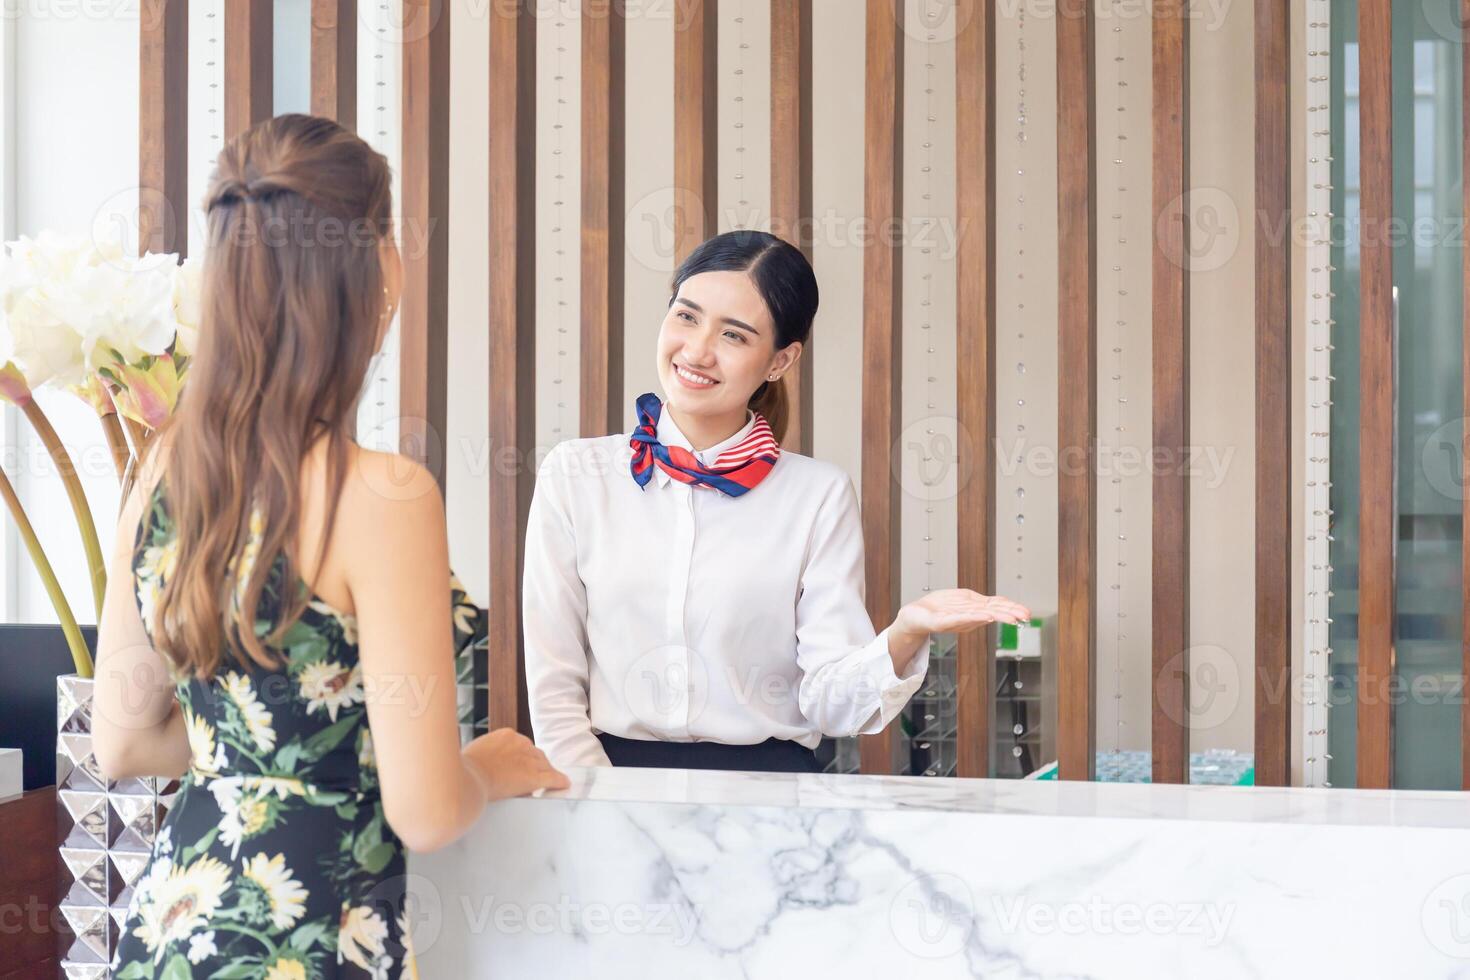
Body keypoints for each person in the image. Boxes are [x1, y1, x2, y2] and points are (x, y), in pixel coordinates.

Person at [94, 114, 567, 979]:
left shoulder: (163, 470)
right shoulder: (386, 496)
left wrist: (273, 755)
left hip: (168, 935)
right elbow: (425, 813)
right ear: (372, 266)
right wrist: (488, 766)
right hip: (306, 943)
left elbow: (123, 742)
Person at [523, 230, 1031, 774]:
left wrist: (904, 632)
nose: (697, 350)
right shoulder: (576, 475)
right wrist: (600, 803)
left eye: (735, 336)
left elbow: (832, 704)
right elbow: (554, 683)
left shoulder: (818, 495)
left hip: (771, 799)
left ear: (780, 361)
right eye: (687, 316)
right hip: (608, 781)